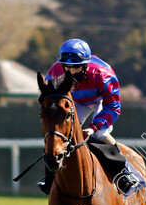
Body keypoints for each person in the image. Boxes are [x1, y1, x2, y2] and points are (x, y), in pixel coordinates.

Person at [38, 38, 139, 195]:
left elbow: (112, 106)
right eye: (67, 67)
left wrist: (93, 128)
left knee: (100, 134)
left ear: (85, 65)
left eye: (76, 67)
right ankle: (50, 177)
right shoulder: (55, 72)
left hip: (99, 100)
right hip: (74, 101)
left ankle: (125, 172)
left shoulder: (103, 75)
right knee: (63, 133)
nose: (70, 72)